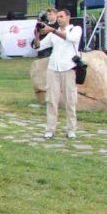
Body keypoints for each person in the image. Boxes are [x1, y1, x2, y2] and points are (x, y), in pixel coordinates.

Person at [36, 8, 82, 139]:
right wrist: (36, 33)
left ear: (68, 17)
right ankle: (50, 129)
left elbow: (71, 38)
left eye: (61, 16)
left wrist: (52, 30)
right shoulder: (53, 33)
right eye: (58, 17)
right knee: (51, 100)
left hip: (69, 68)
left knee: (70, 100)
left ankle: (71, 129)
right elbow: (38, 46)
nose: (59, 19)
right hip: (53, 68)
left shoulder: (75, 29)